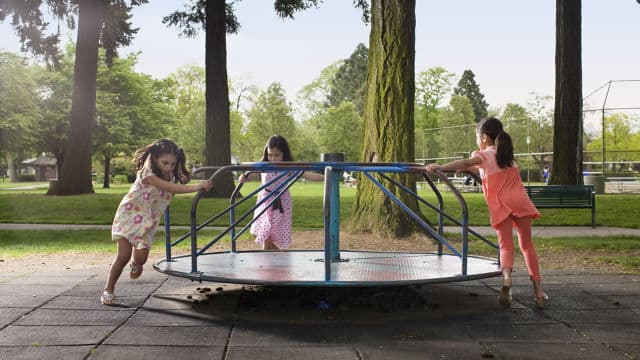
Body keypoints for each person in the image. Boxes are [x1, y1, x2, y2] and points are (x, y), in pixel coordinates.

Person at [425, 117, 547, 309]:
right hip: (521, 202)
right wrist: (468, 169)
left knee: (506, 246)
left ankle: (507, 279)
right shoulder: (507, 156)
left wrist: (440, 167)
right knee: (527, 246)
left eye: (476, 136)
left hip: (501, 205)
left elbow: (468, 161)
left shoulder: (483, 155)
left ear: (483, 137)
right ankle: (539, 291)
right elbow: (483, 169)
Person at [101, 139, 212, 305]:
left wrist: (184, 177)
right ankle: (108, 290)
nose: (169, 167)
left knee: (141, 258)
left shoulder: (171, 175)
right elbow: (172, 189)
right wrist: (198, 186)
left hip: (148, 221)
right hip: (129, 215)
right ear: (154, 158)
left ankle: (135, 263)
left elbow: (179, 182)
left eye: (173, 164)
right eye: (165, 163)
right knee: (122, 256)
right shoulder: (148, 173)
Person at [239, 135, 324, 250]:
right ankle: (278, 258)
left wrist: (327, 177)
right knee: (257, 232)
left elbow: (307, 174)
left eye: (277, 155)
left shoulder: (288, 167)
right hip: (264, 200)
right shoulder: (264, 165)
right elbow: (252, 174)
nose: (273, 159)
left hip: (280, 202)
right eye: (270, 155)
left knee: (267, 237)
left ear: (284, 154)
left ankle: (269, 265)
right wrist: (244, 178)